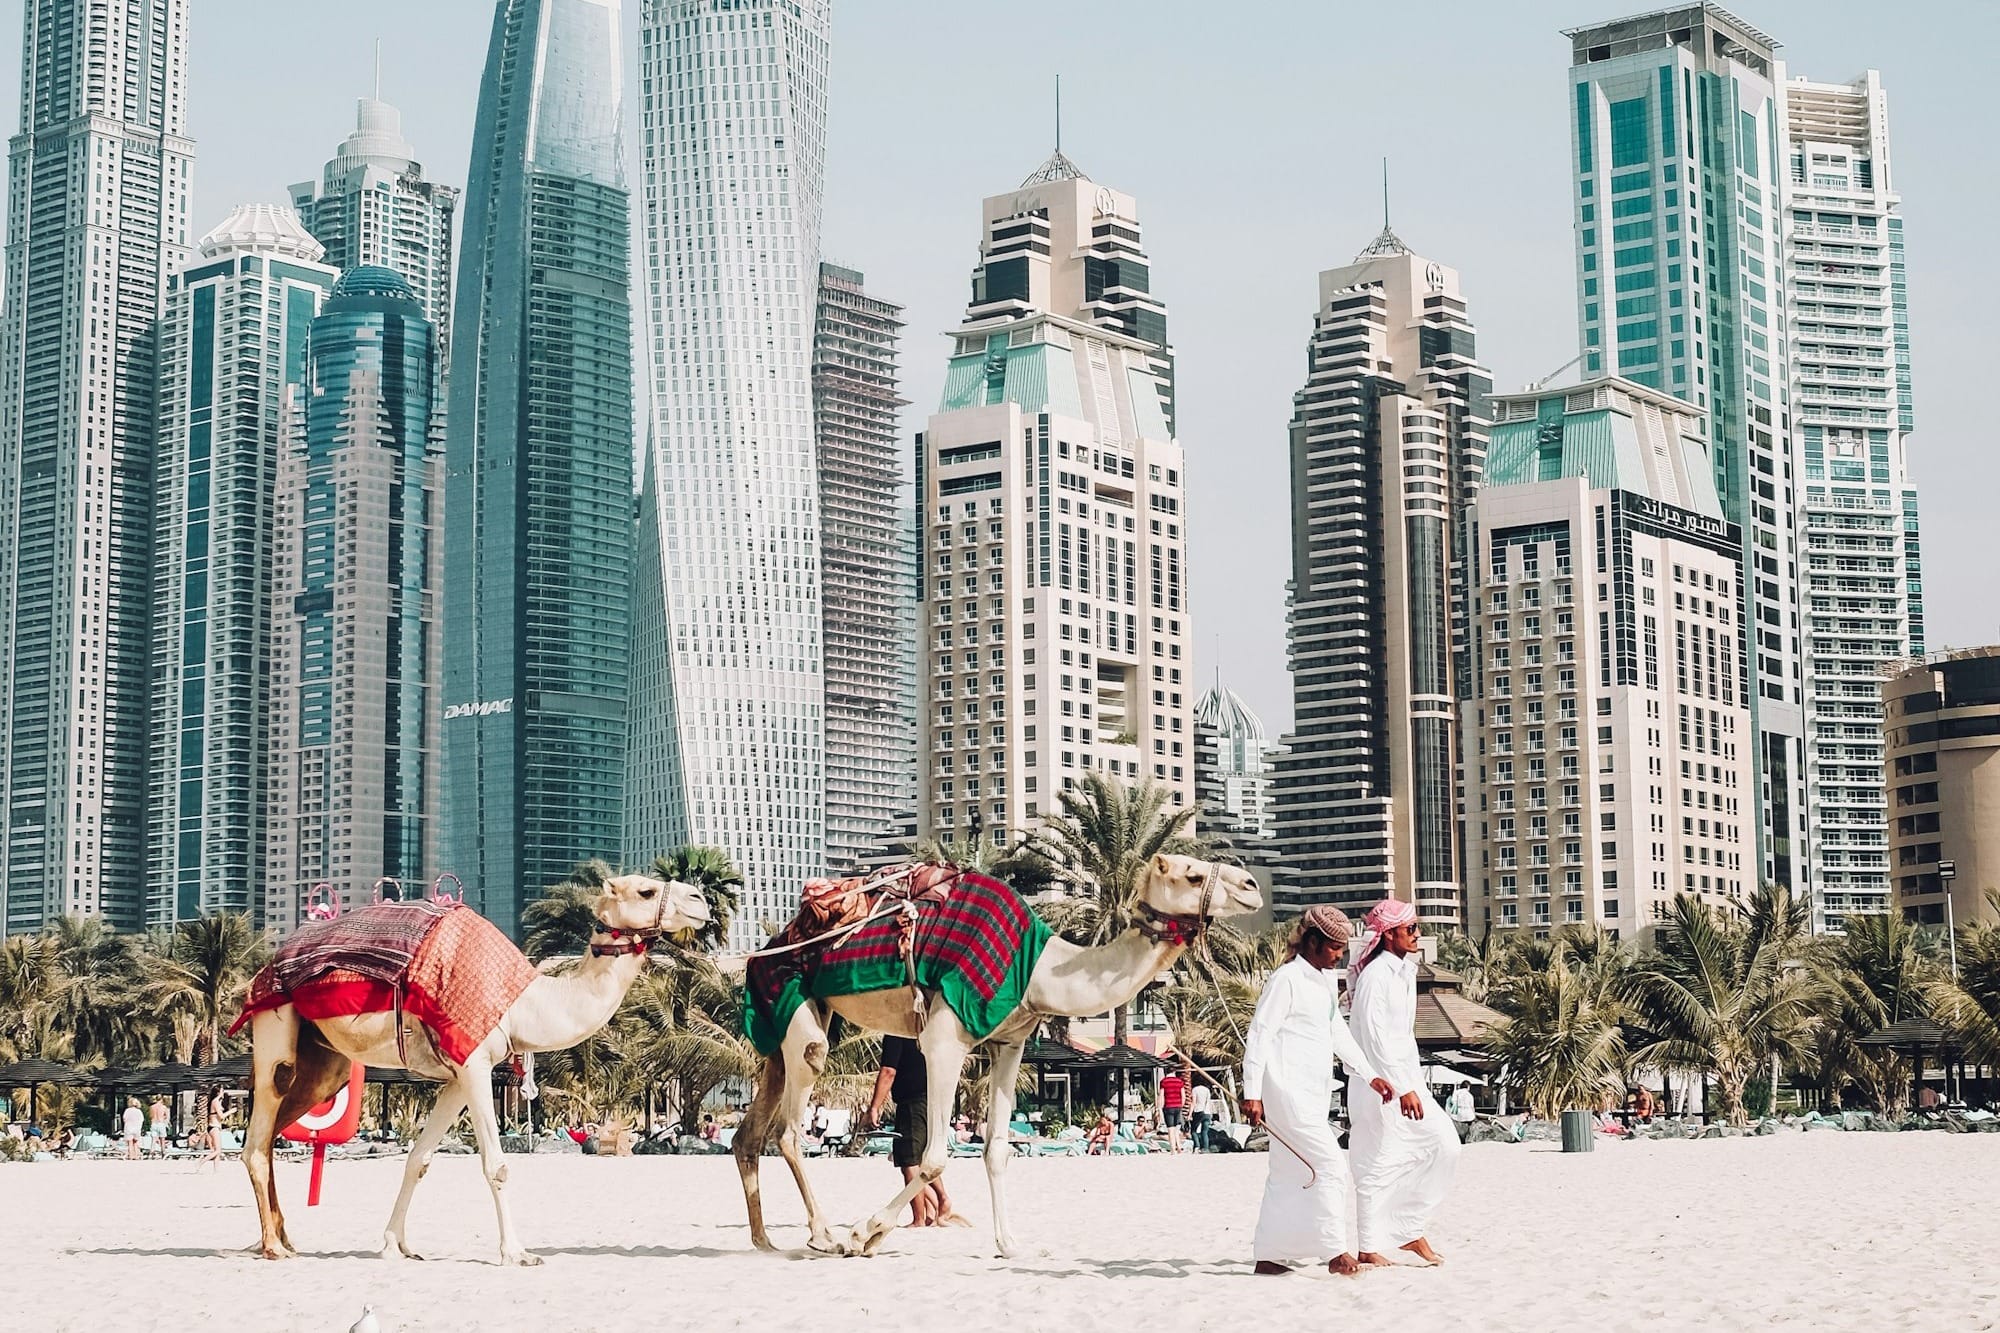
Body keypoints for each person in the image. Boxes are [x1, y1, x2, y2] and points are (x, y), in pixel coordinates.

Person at [1241, 904, 1395, 1277]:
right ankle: (1336, 1253)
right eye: (1333, 948)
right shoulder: (1286, 979)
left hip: (1313, 1092)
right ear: (1311, 942)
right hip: (1285, 1092)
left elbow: (1336, 1033)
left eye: (1342, 949)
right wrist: (1251, 1091)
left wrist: (1369, 1074)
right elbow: (1259, 1034)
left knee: (1285, 1172)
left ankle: (1270, 1255)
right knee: (1329, 1165)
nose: (1339, 955)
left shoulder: (1324, 982)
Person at [1347, 898, 1460, 1268]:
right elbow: (1375, 1039)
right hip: (1378, 1085)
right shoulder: (1376, 976)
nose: (1417, 934)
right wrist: (1401, 1087)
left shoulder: (1403, 972)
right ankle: (1368, 1246)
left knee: (1444, 1145)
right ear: (1389, 934)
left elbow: (1399, 1037)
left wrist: (1410, 1083)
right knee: (1375, 1161)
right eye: (1410, 928)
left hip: (1407, 1080)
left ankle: (1408, 1229)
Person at [866, 1035, 955, 1227]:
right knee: (923, 1157)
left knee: (909, 1162)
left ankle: (920, 1218)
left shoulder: (896, 1033)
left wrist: (874, 1107)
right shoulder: (924, 1031)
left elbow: (889, 1071)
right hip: (932, 1097)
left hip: (912, 1101)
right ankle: (936, 1205)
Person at [1159, 1066, 1187, 1152]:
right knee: (1176, 1128)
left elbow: (1161, 1096)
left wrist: (1160, 1108)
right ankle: (1179, 1147)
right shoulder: (1179, 1082)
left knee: (1170, 1128)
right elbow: (1183, 1096)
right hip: (1177, 1106)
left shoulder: (1164, 1082)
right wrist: (1180, 1106)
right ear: (1174, 1072)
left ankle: (1173, 1149)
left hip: (1168, 1107)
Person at [1189, 1077, 1214, 1152]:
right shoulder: (1207, 1090)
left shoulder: (1195, 1089)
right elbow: (1208, 1102)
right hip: (1207, 1112)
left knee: (1193, 1130)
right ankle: (1206, 1148)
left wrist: (1190, 1114)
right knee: (1205, 1131)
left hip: (1198, 1111)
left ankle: (1197, 1146)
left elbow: (1193, 1102)